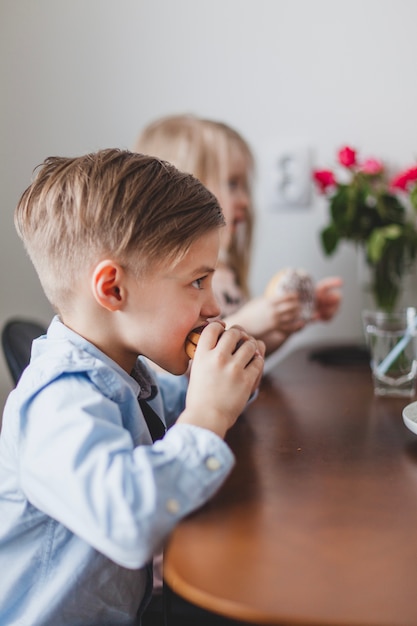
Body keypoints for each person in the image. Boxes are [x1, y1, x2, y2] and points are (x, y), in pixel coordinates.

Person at [0, 149, 265, 626]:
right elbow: (129, 522)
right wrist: (208, 417)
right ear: (114, 289)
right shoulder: (58, 400)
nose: (212, 307)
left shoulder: (121, 373)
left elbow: (168, 413)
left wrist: (227, 383)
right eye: (197, 281)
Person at [134, 114, 342, 356]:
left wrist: (284, 323)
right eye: (233, 184)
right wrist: (249, 321)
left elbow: (242, 352)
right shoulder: (171, 282)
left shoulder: (225, 273)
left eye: (245, 186)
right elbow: (185, 364)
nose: (245, 200)